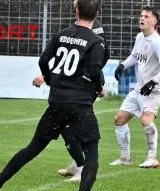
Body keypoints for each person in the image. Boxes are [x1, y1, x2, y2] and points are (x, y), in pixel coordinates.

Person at [0, 0, 106, 191]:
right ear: (96, 13)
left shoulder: (61, 35)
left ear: (76, 10)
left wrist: (50, 78)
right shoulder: (96, 41)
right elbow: (96, 70)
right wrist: (99, 89)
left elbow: (43, 60)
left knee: (32, 148)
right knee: (93, 151)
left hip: (56, 102)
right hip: (79, 103)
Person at [36, 17, 111, 182]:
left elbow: (103, 56)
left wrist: (84, 76)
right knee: (69, 124)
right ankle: (77, 165)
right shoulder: (77, 28)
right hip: (78, 84)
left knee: (67, 124)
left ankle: (81, 167)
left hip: (85, 84)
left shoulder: (94, 28)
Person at [112, 7, 160, 168]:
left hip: (152, 91)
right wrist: (123, 65)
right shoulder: (140, 37)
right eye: (141, 15)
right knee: (119, 119)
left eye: (146, 16)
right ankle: (125, 158)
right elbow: (134, 55)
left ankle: (152, 158)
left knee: (146, 120)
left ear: (154, 21)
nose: (142, 18)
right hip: (139, 89)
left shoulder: (157, 42)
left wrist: (153, 82)